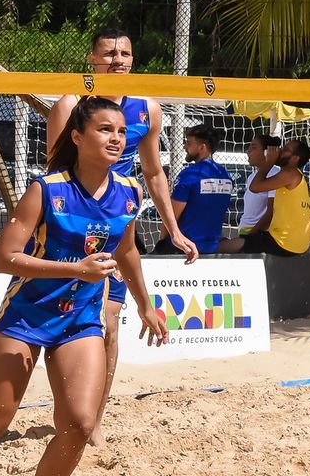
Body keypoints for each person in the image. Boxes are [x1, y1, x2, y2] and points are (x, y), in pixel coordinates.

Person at [0, 97, 169, 474]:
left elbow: (126, 251)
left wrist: (145, 305)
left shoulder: (130, 191)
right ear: (77, 137)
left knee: (80, 424)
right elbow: (4, 258)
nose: (117, 138)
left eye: (122, 131)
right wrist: (76, 270)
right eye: (105, 129)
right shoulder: (45, 189)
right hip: (26, 315)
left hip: (81, 319)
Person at [44, 28, 194, 447]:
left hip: (116, 229)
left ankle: (91, 420)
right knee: (46, 322)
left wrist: (173, 229)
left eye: (125, 53)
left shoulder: (147, 107)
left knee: (109, 323)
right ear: (91, 59)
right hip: (70, 232)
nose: (118, 59)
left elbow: (154, 172)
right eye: (109, 53)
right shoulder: (72, 105)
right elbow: (53, 174)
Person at [218, 139, 310, 257]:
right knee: (229, 241)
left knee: (231, 245)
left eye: (286, 150)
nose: (280, 151)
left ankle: (203, 250)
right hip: (297, 244)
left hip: (284, 242)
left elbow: (255, 187)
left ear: (295, 158)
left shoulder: (291, 173)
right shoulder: (303, 181)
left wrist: (269, 162)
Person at [153, 124, 233, 256]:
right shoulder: (225, 175)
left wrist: (161, 243)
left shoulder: (190, 175)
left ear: (202, 147)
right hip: (211, 247)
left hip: (183, 248)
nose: (185, 147)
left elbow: (172, 215)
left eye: (189, 143)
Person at [234, 134, 282, 239]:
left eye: (254, 147)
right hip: (245, 231)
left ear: (266, 152)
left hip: (257, 234)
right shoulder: (252, 176)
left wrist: (252, 236)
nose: (248, 151)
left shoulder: (274, 173)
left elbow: (271, 212)